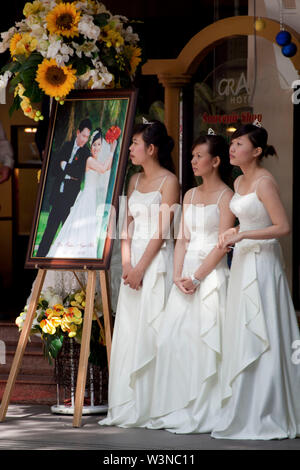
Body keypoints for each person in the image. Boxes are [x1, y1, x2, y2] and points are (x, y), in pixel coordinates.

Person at [211, 122, 300, 440]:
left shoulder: (264, 181)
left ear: (257, 151)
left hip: (262, 263)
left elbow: (283, 227)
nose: (232, 148)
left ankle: (268, 409)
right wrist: (235, 232)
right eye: (231, 143)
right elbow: (249, 219)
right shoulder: (237, 181)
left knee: (264, 328)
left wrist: (244, 233)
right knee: (244, 328)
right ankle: (245, 406)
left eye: (239, 144)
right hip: (244, 261)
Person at [146, 131, 235, 433]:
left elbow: (222, 245)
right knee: (175, 342)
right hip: (184, 276)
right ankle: (179, 404)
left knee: (208, 342)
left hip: (211, 276)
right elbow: (182, 238)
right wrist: (177, 275)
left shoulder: (227, 197)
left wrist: (197, 277)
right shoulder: (189, 194)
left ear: (216, 161)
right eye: (193, 156)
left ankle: (209, 408)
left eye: (199, 156)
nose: (193, 161)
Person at [99, 119, 180, 428]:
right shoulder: (132, 180)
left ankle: (155, 406)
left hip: (157, 262)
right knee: (131, 332)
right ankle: (129, 403)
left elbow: (162, 232)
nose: (130, 148)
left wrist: (143, 267)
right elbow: (126, 226)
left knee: (155, 330)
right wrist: (129, 264)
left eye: (134, 144)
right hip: (133, 264)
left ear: (151, 148)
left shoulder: (169, 181)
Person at [47, 128, 115, 258]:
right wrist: (111, 152)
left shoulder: (96, 160)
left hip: (93, 197)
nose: (96, 147)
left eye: (99, 144)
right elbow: (103, 169)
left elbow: (105, 168)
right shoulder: (89, 160)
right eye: (94, 144)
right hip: (87, 198)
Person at [36, 118, 93, 257]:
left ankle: (65, 261)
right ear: (78, 132)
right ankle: (40, 259)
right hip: (58, 196)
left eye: (87, 137)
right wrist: (67, 168)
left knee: (67, 234)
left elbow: (78, 174)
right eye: (84, 135)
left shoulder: (85, 153)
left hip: (70, 198)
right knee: (49, 230)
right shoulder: (66, 146)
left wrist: (64, 165)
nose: (85, 140)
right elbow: (54, 169)